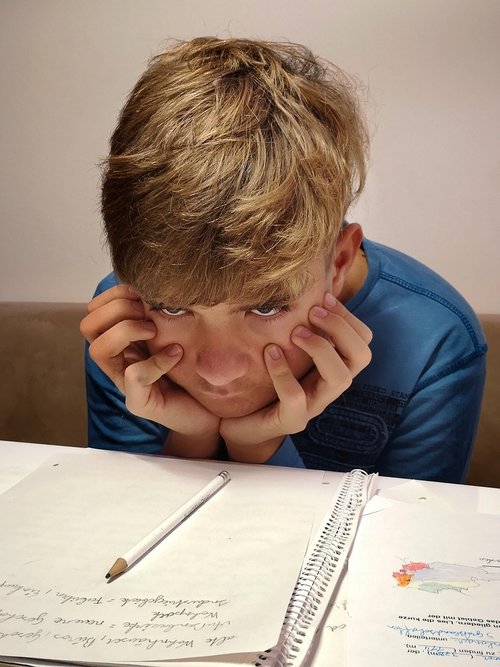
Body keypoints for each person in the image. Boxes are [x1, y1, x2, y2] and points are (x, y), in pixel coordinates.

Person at [81, 37, 487, 483]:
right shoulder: (122, 324)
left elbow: (407, 546)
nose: (218, 374)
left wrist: (260, 447)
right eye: (173, 307)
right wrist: (191, 439)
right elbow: (123, 535)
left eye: (266, 306)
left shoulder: (435, 341)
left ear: (339, 260)